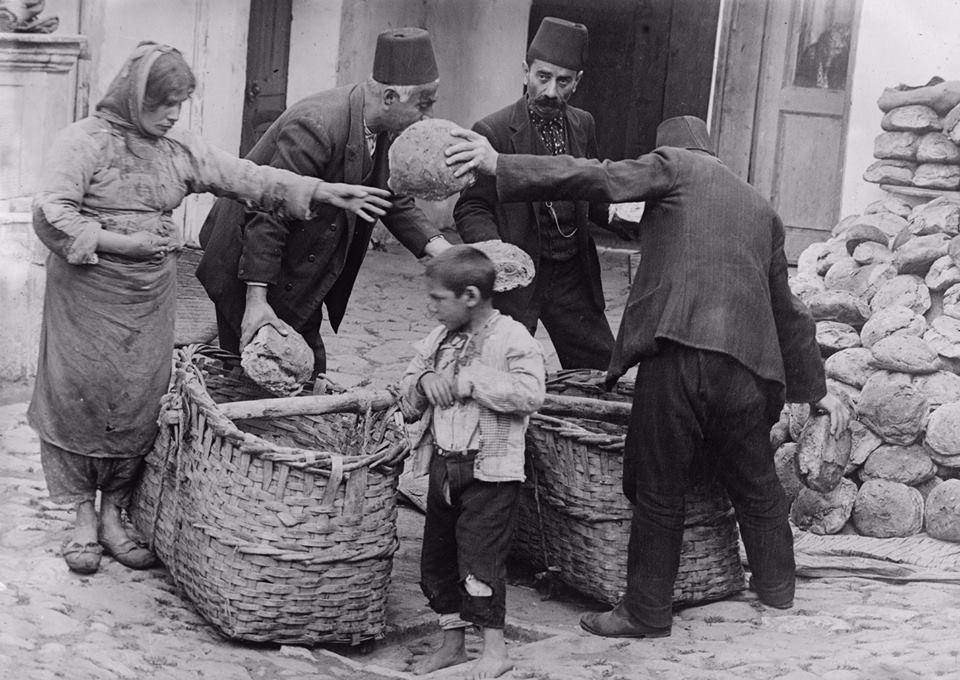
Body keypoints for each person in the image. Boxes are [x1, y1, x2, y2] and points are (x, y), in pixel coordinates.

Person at [444, 115, 850, 637]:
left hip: (679, 350)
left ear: (669, 154)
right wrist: (815, 392)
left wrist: (500, 164)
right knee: (755, 482)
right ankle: (777, 589)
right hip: (749, 369)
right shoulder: (760, 208)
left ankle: (645, 611)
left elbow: (597, 177)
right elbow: (788, 309)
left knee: (657, 484)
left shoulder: (673, 166)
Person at [29, 42, 391, 575]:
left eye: (180, 102)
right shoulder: (84, 142)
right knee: (77, 398)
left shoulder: (178, 149)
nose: (172, 114)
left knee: (138, 399)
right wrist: (122, 243)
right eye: (162, 103)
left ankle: (115, 514)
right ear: (133, 98)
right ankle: (83, 514)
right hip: (85, 299)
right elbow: (50, 213)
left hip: (148, 300)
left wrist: (320, 189)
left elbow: (250, 177)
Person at [197, 27, 452, 378]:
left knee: (305, 371)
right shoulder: (317, 125)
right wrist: (257, 303)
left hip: (302, 269)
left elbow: (391, 199)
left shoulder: (383, 127)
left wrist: (445, 253)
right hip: (246, 267)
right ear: (391, 97)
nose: (428, 117)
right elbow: (268, 216)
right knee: (250, 375)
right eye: (423, 105)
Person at [398, 246, 545, 678]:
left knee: (480, 560)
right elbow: (407, 386)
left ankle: (495, 650)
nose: (431, 308)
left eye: (438, 299)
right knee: (438, 561)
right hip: (445, 466)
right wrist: (425, 380)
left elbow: (530, 393)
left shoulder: (512, 338)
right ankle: (453, 644)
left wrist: (470, 382)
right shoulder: (439, 340)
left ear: (470, 295)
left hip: (492, 473)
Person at [453, 17, 618, 370]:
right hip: (518, 279)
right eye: (543, 77)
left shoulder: (584, 124)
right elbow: (471, 208)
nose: (551, 91)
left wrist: (627, 214)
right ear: (526, 71)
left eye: (564, 81)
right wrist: (496, 253)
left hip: (573, 275)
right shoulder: (492, 131)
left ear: (578, 81)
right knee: (502, 369)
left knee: (601, 371)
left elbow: (592, 195)